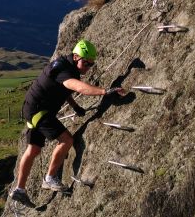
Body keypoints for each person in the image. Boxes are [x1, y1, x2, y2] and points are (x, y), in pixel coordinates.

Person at [9, 39, 122, 207]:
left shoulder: (66, 67)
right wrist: (105, 92)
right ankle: (50, 178)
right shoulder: (64, 70)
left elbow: (63, 89)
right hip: (40, 111)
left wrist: (76, 106)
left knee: (33, 149)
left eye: (91, 64)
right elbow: (78, 87)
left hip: (32, 107)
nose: (87, 67)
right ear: (76, 57)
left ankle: (20, 189)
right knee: (67, 140)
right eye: (85, 63)